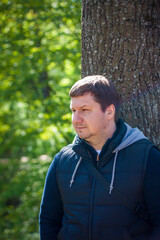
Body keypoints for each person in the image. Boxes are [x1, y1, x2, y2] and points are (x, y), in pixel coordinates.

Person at [39, 75, 160, 240]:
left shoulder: (147, 157)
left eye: (85, 110)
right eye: (73, 111)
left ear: (109, 111)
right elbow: (48, 220)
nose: (76, 119)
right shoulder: (63, 160)